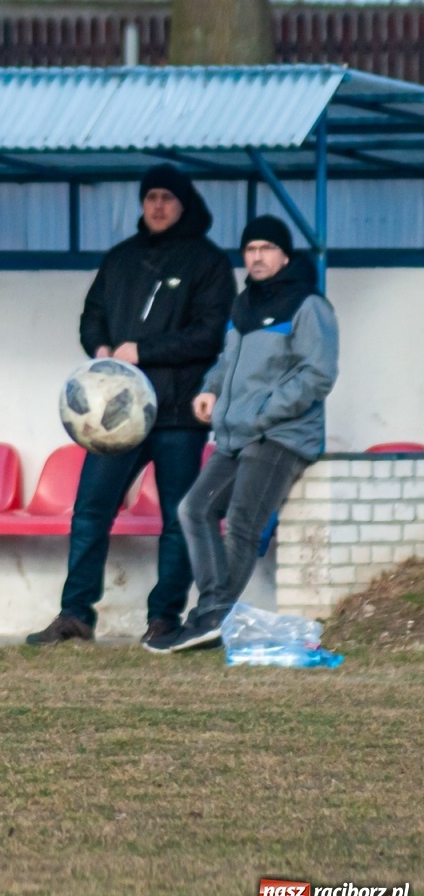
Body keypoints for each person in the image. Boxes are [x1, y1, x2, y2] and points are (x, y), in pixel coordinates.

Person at [27, 165, 236, 647]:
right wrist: (99, 347)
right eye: (150, 197)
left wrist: (145, 351)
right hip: (113, 418)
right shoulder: (121, 259)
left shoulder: (207, 262)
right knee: (90, 511)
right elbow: (92, 315)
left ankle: (164, 618)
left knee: (177, 520)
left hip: (178, 414)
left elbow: (210, 334)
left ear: (184, 203)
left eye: (167, 197)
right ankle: (75, 615)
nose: (158, 206)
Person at [149, 218, 338, 653]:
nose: (257, 256)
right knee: (193, 509)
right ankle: (214, 613)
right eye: (250, 249)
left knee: (242, 525)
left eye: (266, 248)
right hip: (236, 434)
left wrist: (264, 412)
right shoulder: (243, 304)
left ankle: (210, 616)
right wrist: (210, 389)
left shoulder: (309, 305)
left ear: (284, 256)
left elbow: (318, 374)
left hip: (280, 436)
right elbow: (227, 361)